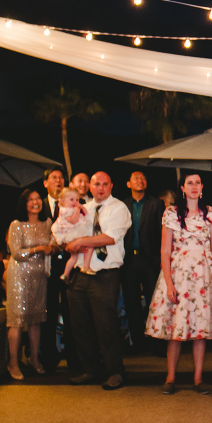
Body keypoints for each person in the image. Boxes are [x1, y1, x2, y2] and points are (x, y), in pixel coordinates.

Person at [145, 173, 212, 395]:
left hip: (203, 275)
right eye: (189, 183)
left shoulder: (211, 213)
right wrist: (168, 282)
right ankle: (170, 377)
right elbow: (165, 250)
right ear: (182, 189)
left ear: (202, 187)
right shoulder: (171, 214)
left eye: (197, 183)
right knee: (175, 329)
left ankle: (198, 378)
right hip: (178, 274)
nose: (194, 186)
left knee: (200, 328)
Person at [66, 171, 132, 390]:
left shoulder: (119, 208)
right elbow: (69, 233)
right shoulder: (84, 208)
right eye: (96, 184)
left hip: (105, 274)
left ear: (111, 186)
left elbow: (111, 237)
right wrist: (68, 241)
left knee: (106, 325)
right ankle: (91, 369)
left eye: (105, 184)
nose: (101, 188)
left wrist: (82, 241)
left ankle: (115, 372)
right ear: (90, 187)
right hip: (80, 273)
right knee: (80, 325)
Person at [5, 188, 55, 380]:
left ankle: (34, 358)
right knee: (17, 320)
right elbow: (17, 253)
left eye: (37, 199)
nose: (35, 202)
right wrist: (39, 248)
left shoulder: (47, 223)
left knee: (36, 319)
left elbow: (54, 243)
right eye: (30, 199)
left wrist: (52, 247)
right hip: (19, 274)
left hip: (40, 275)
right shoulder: (16, 225)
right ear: (24, 204)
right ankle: (13, 362)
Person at [122, 171, 164, 352]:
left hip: (150, 260)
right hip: (128, 260)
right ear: (128, 184)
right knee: (131, 303)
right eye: (136, 179)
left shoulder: (156, 204)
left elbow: (163, 232)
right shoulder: (122, 205)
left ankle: (156, 343)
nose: (140, 181)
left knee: (154, 302)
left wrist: (160, 259)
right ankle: (138, 343)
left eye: (143, 178)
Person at [40, 167, 73, 373]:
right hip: (45, 268)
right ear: (46, 183)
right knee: (47, 313)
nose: (58, 181)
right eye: (54, 178)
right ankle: (48, 358)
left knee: (71, 313)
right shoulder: (38, 205)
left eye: (61, 178)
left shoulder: (72, 204)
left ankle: (73, 359)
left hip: (68, 266)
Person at [51, 187, 94, 280]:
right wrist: (77, 211)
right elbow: (73, 220)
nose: (75, 202)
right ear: (63, 201)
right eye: (71, 200)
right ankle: (86, 266)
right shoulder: (65, 210)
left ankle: (66, 274)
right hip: (72, 233)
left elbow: (86, 214)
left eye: (77, 199)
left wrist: (82, 207)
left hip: (75, 232)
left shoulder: (73, 208)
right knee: (90, 246)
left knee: (74, 257)